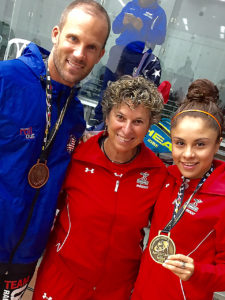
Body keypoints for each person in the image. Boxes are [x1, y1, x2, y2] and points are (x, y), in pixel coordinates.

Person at [0, 0, 110, 298]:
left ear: (100, 55)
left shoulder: (74, 116)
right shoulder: (6, 80)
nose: (79, 53)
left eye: (91, 47)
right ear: (56, 34)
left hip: (24, 258)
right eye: (73, 38)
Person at [32, 75, 167, 300]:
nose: (126, 129)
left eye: (138, 121)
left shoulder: (157, 174)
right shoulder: (76, 156)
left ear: (149, 126)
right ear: (107, 115)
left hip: (116, 288)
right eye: (120, 117)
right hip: (62, 278)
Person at [131, 79, 225, 300]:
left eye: (200, 144)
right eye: (180, 143)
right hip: (142, 293)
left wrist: (198, 271)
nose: (188, 154)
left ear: (217, 143)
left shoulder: (222, 199)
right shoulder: (165, 178)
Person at [91, 0, 167, 125]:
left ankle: (118, 121)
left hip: (138, 56)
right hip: (118, 51)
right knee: (107, 86)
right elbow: (115, 28)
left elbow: (159, 38)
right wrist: (123, 22)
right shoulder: (131, 4)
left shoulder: (159, 13)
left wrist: (142, 27)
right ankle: (99, 118)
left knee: (126, 91)